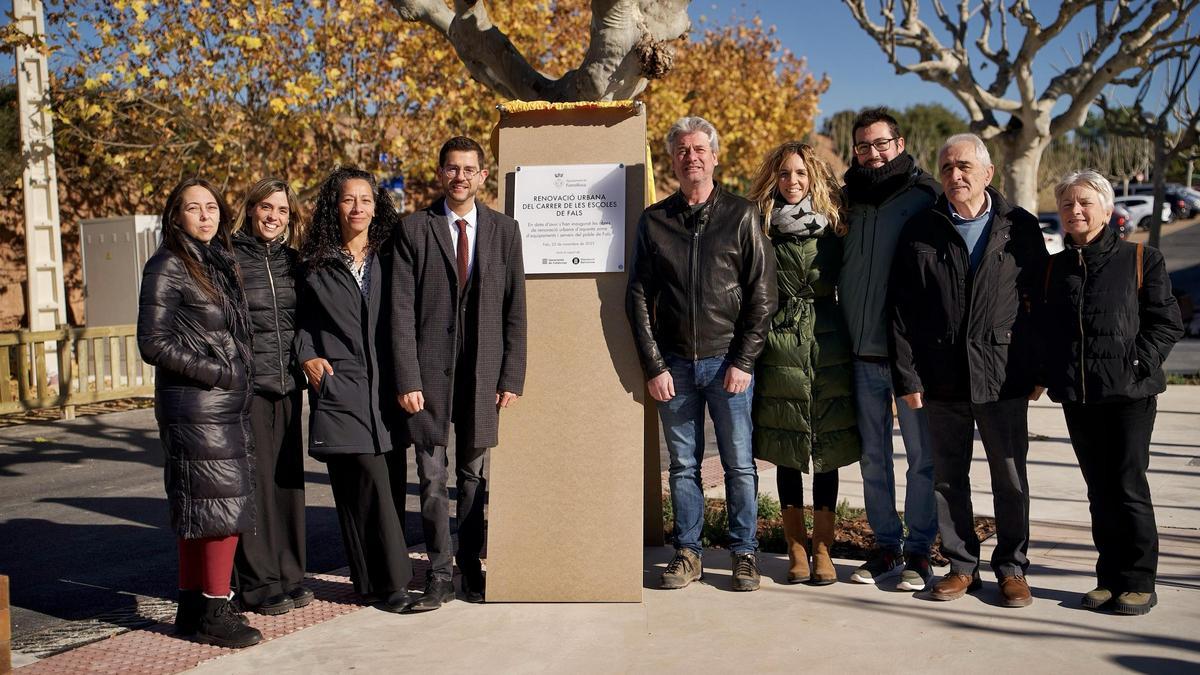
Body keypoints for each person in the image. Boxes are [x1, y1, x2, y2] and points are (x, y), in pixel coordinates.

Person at [889, 134, 1047, 606]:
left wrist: (1039, 368)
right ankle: (961, 566)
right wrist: (908, 377)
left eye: (963, 167)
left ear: (987, 173)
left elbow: (1039, 303)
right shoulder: (921, 228)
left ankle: (1013, 568)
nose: (955, 176)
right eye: (946, 168)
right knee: (948, 478)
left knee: (1010, 477)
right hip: (942, 377)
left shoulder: (1019, 227)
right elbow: (901, 311)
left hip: (1003, 374)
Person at [627, 116, 777, 592]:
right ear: (673, 160)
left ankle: (744, 553)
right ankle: (687, 553)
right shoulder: (655, 221)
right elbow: (637, 296)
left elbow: (762, 294)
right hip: (673, 365)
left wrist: (744, 360)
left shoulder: (742, 214)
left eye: (699, 149)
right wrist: (653, 365)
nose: (691, 157)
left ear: (714, 156)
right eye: (682, 151)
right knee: (683, 466)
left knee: (738, 463)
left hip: (726, 361)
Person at [391, 136, 527, 612]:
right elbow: (400, 313)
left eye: (470, 169)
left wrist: (512, 374)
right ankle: (439, 573)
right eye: (453, 168)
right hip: (428, 378)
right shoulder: (413, 231)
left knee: (473, 477)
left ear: (482, 176)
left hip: (483, 374)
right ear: (441, 172)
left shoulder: (504, 231)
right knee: (431, 477)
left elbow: (515, 310)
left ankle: (471, 568)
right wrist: (407, 378)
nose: (461, 177)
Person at [1038, 170, 1183, 615]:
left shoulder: (1142, 258)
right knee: (1098, 490)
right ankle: (1108, 576)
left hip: (1130, 397)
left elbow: (1166, 322)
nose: (1075, 210)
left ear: (1106, 209)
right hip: (1080, 398)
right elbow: (1046, 330)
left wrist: (1136, 363)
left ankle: (1138, 579)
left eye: (1084, 203)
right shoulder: (1055, 268)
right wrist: (1051, 371)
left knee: (1127, 486)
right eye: (1067, 204)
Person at [137, 177, 262, 648]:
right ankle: (216, 609)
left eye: (212, 207)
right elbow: (153, 342)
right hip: (197, 404)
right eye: (195, 208)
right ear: (176, 216)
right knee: (220, 509)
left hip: (218, 405)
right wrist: (218, 374)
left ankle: (191, 610)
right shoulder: (168, 264)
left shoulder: (214, 261)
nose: (206, 216)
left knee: (199, 507)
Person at [296, 167, 415, 612]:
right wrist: (306, 355)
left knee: (388, 482)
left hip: (387, 389)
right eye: (349, 199)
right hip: (341, 386)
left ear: (376, 205)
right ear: (335, 205)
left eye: (365, 199)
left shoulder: (391, 254)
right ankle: (394, 586)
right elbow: (300, 322)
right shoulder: (315, 265)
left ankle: (368, 581)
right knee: (360, 484)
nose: (358, 208)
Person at [747, 142, 860, 585]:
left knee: (827, 445)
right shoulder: (759, 224)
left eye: (800, 173)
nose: (792, 182)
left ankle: (823, 547)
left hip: (829, 338)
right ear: (773, 178)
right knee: (787, 442)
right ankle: (795, 546)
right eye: (784, 174)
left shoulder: (836, 223)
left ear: (813, 175)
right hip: (780, 338)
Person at [840, 108, 941, 590]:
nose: (873, 153)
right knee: (873, 457)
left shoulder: (927, 197)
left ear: (899, 144)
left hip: (911, 357)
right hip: (860, 353)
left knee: (923, 457)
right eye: (864, 146)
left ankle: (920, 552)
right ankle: (885, 547)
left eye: (882, 144)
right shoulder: (846, 201)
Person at [230, 178, 312, 616]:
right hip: (248, 390)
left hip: (287, 387)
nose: (273, 217)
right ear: (251, 208)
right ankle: (258, 584)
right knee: (255, 485)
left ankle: (290, 574)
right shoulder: (231, 259)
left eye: (281, 210)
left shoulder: (293, 262)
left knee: (286, 484)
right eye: (266, 207)